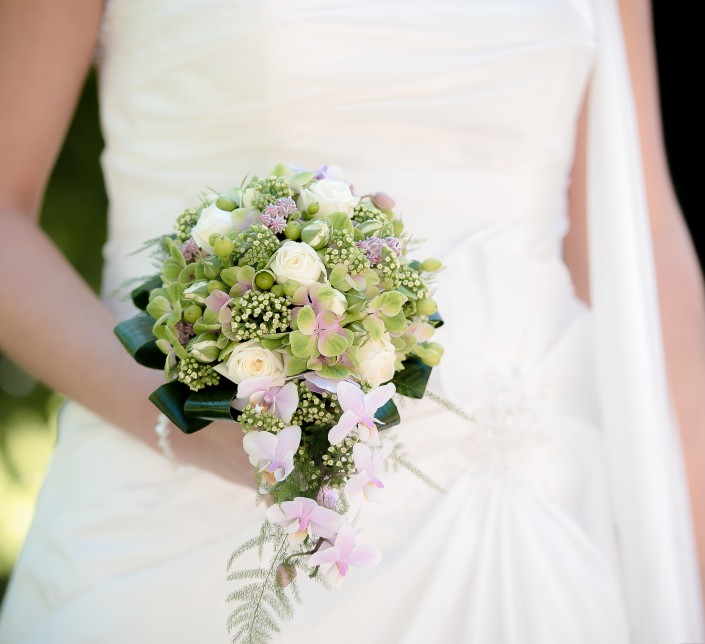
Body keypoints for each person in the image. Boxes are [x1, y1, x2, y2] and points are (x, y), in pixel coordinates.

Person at [0, 0, 703, 642]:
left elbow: (639, 257)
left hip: (531, 521)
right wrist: (183, 420)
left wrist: (688, 571)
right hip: (192, 516)